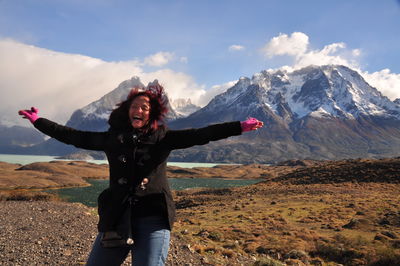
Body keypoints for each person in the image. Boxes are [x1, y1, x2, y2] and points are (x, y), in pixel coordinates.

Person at [18, 82, 263, 266]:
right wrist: (39, 121)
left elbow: (202, 134)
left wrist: (239, 127)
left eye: (144, 107)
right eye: (134, 106)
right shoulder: (112, 139)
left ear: (151, 114)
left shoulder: (163, 138)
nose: (138, 109)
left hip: (153, 217)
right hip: (117, 215)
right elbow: (73, 136)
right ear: (127, 112)